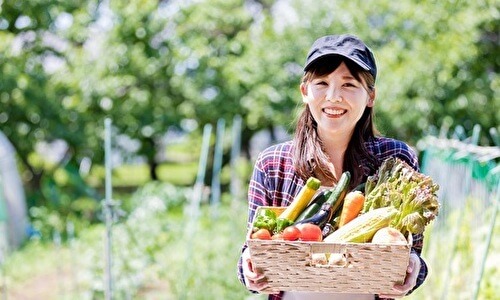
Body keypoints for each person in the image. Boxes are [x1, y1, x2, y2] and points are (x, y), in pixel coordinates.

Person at [237, 34, 429, 300]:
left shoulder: (396, 156)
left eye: (349, 84)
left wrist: (414, 270)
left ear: (370, 96)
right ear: (305, 91)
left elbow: (412, 253)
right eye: (322, 83)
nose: (333, 96)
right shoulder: (273, 163)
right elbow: (252, 250)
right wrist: (248, 268)